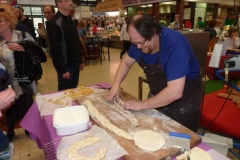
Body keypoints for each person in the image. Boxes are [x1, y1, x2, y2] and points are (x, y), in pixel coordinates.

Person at [108, 13, 202, 132]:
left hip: (184, 99)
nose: (137, 47)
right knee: (153, 129)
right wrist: (116, 85)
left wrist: (142, 105)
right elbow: (126, 63)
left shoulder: (175, 45)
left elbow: (175, 92)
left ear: (154, 33)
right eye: (134, 42)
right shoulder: (139, 41)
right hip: (158, 91)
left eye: (141, 43)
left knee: (181, 137)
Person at [0, 3, 44, 141]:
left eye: (0, 21)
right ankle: (11, 132)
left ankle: (30, 129)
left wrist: (23, 48)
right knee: (10, 109)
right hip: (6, 81)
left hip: (25, 79)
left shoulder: (22, 35)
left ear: (8, 21)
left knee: (27, 106)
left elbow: (38, 52)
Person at [47, 0, 84, 91]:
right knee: (64, 95)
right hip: (66, 66)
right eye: (67, 1)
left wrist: (80, 60)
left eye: (71, 0)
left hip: (75, 64)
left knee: (73, 92)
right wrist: (62, 70)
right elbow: (55, 49)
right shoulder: (54, 23)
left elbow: (76, 41)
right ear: (59, 3)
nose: (71, 2)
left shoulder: (70, 20)